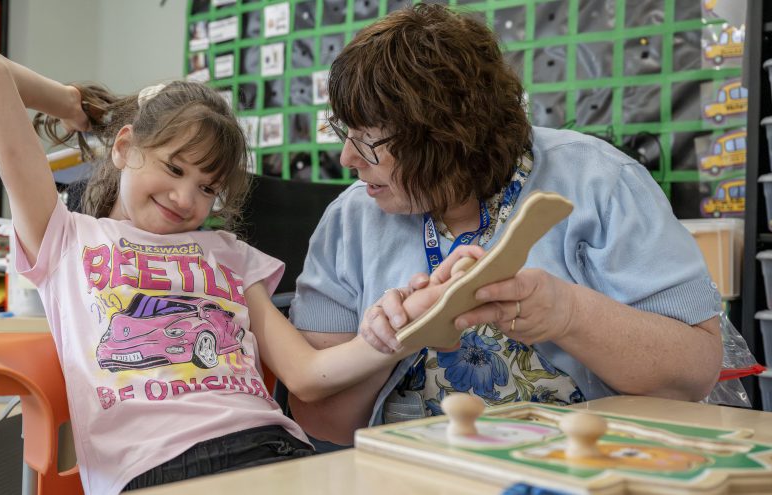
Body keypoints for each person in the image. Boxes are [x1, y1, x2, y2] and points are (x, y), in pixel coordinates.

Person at [0, 48, 445, 494]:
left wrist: (404, 330)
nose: (185, 198)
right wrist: (76, 106)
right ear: (125, 146)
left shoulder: (227, 252)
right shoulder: (65, 237)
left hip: (275, 450)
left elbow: (308, 374)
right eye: (174, 169)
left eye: (207, 187)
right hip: (156, 467)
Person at [287, 3, 723, 448]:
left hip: (583, 463)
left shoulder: (600, 180)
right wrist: (397, 337)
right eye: (345, 132)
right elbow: (321, 421)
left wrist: (568, 313)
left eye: (368, 140)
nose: (348, 159)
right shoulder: (350, 220)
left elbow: (694, 373)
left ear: (444, 134)